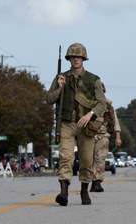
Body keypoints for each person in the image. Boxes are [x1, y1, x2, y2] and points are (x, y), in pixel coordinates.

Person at [44, 43, 108, 206]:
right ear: (69, 59)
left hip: (86, 126)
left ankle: (84, 191)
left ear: (83, 59)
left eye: (78, 57)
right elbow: (49, 99)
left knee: (86, 161)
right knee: (65, 158)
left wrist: (90, 114)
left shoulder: (93, 79)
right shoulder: (62, 77)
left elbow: (102, 104)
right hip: (67, 124)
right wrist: (59, 88)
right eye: (73, 57)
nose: (76, 60)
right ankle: (63, 192)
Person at [91, 99, 121, 192]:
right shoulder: (87, 102)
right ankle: (90, 180)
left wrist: (118, 137)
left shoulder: (108, 106)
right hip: (89, 134)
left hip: (103, 134)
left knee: (100, 159)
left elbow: (115, 122)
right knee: (88, 159)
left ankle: (97, 181)